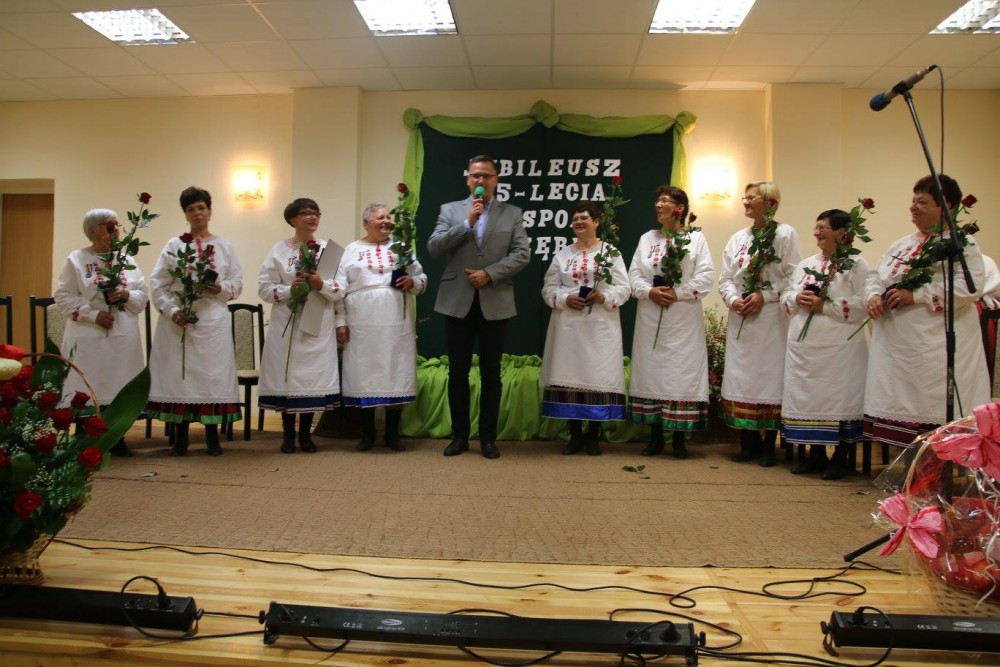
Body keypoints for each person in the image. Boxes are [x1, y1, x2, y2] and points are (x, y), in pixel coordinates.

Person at [863, 174, 990, 447]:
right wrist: (873, 296)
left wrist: (916, 296)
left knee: (934, 411)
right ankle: (909, 463)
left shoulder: (961, 244)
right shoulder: (902, 244)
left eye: (922, 201)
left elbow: (969, 288)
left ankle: (937, 461)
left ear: (946, 206)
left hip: (934, 348)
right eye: (913, 201)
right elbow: (876, 275)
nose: (913, 207)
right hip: (897, 349)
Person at [427, 155, 530, 460]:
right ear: (467, 179)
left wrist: (490, 273)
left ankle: (488, 438)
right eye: (475, 176)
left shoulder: (512, 213)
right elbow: (434, 248)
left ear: (496, 179)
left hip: (494, 301)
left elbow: (522, 254)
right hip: (456, 301)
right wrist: (466, 224)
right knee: (457, 372)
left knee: (491, 373)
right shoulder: (450, 210)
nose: (481, 181)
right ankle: (459, 436)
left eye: (486, 176)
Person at [147, 186, 243, 456]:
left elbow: (237, 283)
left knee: (211, 378)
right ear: (185, 215)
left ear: (210, 211)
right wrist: (172, 310)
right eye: (191, 209)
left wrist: (220, 288)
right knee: (182, 377)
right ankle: (181, 439)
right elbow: (158, 284)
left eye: (201, 207)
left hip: (212, 322)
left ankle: (212, 438)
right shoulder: (174, 246)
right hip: (180, 323)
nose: (197, 213)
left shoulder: (224, 246)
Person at [780, 209, 870, 480]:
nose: (817, 232)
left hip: (839, 348)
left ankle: (841, 458)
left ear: (842, 232)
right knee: (810, 398)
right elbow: (786, 294)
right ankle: (815, 454)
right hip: (806, 348)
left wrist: (825, 306)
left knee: (839, 399)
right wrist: (796, 298)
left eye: (823, 227)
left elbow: (863, 304)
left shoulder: (856, 264)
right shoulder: (806, 264)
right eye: (816, 227)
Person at [718, 181, 801, 466]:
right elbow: (726, 278)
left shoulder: (785, 234)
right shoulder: (737, 238)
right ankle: (747, 441)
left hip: (770, 319)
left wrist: (764, 295)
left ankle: (769, 444)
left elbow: (793, 276)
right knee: (742, 377)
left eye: (751, 197)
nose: (745, 202)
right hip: (741, 316)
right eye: (744, 197)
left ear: (770, 202)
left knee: (768, 377)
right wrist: (733, 299)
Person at [628, 186, 714, 459]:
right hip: (651, 315)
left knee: (679, 372)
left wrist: (678, 293)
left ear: (680, 208)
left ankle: (679, 439)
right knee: (652, 370)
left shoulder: (695, 238)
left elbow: (705, 277)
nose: (658, 204)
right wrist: (649, 291)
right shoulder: (647, 239)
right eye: (657, 200)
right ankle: (655, 437)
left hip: (682, 318)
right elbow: (634, 275)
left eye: (664, 200)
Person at [54, 208, 148, 457]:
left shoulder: (127, 259)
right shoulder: (77, 259)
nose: (116, 230)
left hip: (122, 337)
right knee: (89, 386)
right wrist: (93, 315)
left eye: (117, 224)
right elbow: (63, 296)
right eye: (109, 225)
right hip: (89, 337)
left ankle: (117, 437)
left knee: (120, 384)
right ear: (91, 231)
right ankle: (85, 438)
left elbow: (142, 295)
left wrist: (126, 294)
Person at [335, 203, 427, 452]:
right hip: (361, 322)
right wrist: (340, 322)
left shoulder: (402, 247)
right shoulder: (351, 250)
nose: (387, 221)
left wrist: (412, 282)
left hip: (396, 320)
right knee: (364, 373)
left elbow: (421, 279)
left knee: (395, 370)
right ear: (366, 223)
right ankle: (367, 433)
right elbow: (339, 290)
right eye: (380, 217)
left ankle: (392, 434)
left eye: (388, 216)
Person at [539, 202, 630, 456]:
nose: (578, 222)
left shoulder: (610, 253)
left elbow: (624, 288)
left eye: (584, 218)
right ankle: (575, 435)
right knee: (570, 377)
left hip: (600, 327)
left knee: (596, 376)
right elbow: (548, 288)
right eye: (575, 219)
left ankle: (593, 437)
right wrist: (564, 298)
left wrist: (604, 296)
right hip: (569, 327)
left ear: (596, 222)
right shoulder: (563, 255)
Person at [258, 198, 341, 454]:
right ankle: (287, 435)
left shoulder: (329, 251)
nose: (313, 217)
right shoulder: (278, 251)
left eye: (316, 213)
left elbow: (341, 288)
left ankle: (306, 435)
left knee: (310, 377)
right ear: (293, 219)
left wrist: (321, 284)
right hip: (288, 322)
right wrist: (288, 290)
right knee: (289, 377)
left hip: (317, 324)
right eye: (306, 213)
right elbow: (264, 288)